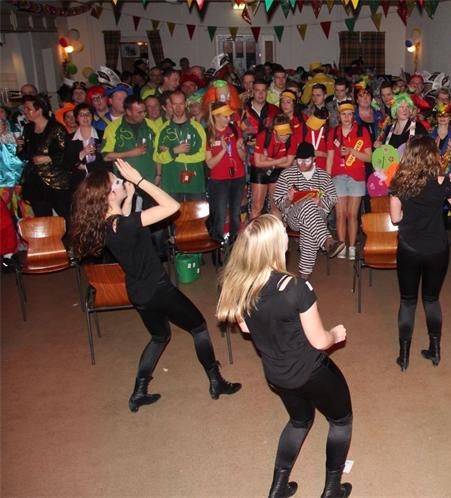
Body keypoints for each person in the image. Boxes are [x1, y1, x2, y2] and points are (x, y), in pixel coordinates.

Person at [70, 159, 241, 412]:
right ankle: (216, 382)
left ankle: (138, 393)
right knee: (199, 327)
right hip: (158, 289)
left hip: (138, 292)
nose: (121, 181)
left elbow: (124, 222)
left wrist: (129, 197)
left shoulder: (106, 224)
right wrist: (139, 181)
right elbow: (172, 206)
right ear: (109, 196)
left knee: (160, 337)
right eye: (116, 182)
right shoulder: (126, 224)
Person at [216, 214, 353, 498]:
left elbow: (246, 328)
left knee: (299, 421)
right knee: (341, 420)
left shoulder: (241, 286)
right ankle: (332, 489)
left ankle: (278, 488)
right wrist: (335, 334)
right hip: (311, 371)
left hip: (276, 374)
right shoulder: (295, 288)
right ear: (275, 246)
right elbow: (319, 341)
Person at [389, 136, 451, 371]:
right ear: (433, 155)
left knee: (407, 301)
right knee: (431, 300)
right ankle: (435, 351)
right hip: (437, 249)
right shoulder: (443, 182)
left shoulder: (399, 182)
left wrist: (411, 215)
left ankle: (404, 357)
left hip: (409, 248)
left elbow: (395, 218)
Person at [274, 142, 344, 278]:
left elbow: (333, 198)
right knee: (307, 204)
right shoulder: (286, 175)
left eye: (307, 161)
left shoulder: (323, 176)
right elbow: (278, 202)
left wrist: (320, 202)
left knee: (309, 225)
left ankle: (304, 277)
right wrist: (288, 199)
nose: (302, 164)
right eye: (299, 161)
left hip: (317, 216)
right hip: (293, 217)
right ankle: (327, 241)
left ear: (314, 159)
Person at [326, 99, 372, 260]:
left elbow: (369, 157)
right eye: (343, 114)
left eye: (349, 114)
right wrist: (327, 179)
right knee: (340, 215)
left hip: (356, 176)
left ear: (353, 116)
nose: (346, 117)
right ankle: (341, 245)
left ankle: (352, 247)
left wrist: (352, 151)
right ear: (339, 116)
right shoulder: (333, 132)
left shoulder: (362, 132)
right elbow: (330, 158)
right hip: (338, 176)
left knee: (352, 215)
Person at [17, 95, 70, 219]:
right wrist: (19, 147)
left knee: (66, 215)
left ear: (39, 110)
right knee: (42, 217)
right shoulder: (28, 128)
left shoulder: (56, 128)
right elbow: (26, 154)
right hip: (35, 180)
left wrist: (49, 158)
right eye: (24, 109)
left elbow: (66, 152)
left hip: (55, 179)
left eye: (28, 109)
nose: (25, 112)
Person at [154, 90, 207, 201]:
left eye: (181, 104)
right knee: (173, 213)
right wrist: (174, 151)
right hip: (171, 183)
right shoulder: (163, 129)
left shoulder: (197, 127)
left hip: (194, 183)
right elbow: (157, 157)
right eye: (174, 104)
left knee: (196, 213)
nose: (178, 108)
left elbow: (202, 155)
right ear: (170, 105)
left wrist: (172, 154)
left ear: (186, 104)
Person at [205, 103, 247, 243]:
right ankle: (217, 244)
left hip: (238, 176)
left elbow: (243, 158)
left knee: (235, 213)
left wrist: (240, 148)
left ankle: (234, 244)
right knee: (220, 214)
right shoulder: (209, 134)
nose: (229, 119)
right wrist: (223, 150)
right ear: (216, 117)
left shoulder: (235, 129)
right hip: (219, 179)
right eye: (225, 116)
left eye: (229, 116)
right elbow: (210, 164)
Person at [252, 114, 298, 219]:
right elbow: (258, 163)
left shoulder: (292, 139)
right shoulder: (263, 136)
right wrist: (280, 160)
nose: (285, 136)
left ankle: (278, 229)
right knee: (257, 207)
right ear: (274, 132)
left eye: (287, 133)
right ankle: (254, 229)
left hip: (277, 171)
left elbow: (288, 163)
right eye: (282, 134)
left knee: (276, 207)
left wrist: (269, 160)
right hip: (260, 171)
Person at [64, 103, 108, 191]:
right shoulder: (69, 139)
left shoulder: (103, 135)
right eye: (81, 115)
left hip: (101, 182)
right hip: (79, 184)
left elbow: (107, 160)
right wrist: (82, 154)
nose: (85, 117)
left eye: (88, 114)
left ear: (92, 116)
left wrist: (86, 167)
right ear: (76, 118)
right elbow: (67, 165)